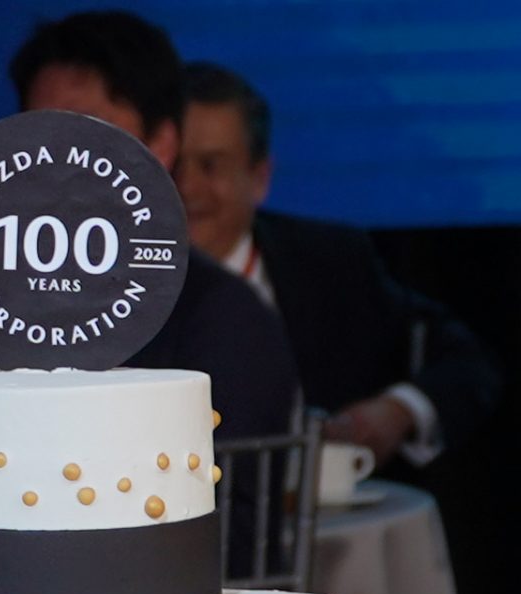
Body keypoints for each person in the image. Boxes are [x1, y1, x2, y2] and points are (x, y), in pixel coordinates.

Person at [176, 62, 501, 468]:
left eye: (210, 165)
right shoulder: (121, 287)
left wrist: (398, 410)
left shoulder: (330, 261)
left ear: (259, 178)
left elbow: (464, 362)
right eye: (171, 166)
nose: (186, 187)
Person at [7, 11, 300, 439]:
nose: (59, 155)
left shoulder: (224, 316)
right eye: (40, 130)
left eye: (88, 128)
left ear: (160, 143)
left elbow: (229, 476)